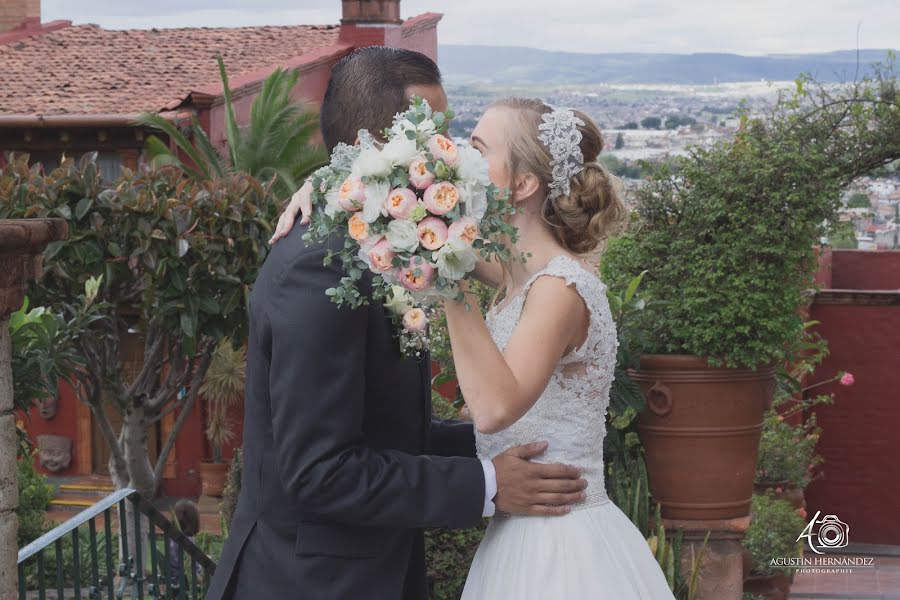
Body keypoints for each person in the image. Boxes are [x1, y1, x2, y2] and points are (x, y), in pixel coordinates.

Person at [206, 47, 587, 600]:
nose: (448, 152)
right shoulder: (318, 267)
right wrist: (487, 484)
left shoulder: (379, 243)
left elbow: (384, 430)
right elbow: (320, 472)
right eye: (434, 134)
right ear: (383, 149)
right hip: (311, 583)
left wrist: (509, 449)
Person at [274, 97, 676, 598]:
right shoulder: (520, 272)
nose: (462, 161)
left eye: (479, 150)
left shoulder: (558, 289)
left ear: (524, 185)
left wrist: (447, 274)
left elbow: (492, 410)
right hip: (521, 534)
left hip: (562, 547)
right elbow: (406, 223)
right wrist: (330, 186)